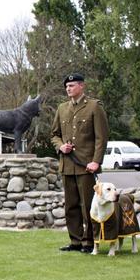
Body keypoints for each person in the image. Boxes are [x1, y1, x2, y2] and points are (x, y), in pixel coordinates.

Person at [51, 73, 109, 253]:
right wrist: (61, 147)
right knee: (71, 206)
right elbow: (54, 134)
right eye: (67, 86)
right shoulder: (61, 108)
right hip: (67, 164)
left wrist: (96, 161)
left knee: (88, 205)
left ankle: (89, 242)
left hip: (86, 166)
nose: (68, 89)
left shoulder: (94, 107)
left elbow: (102, 137)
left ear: (82, 86)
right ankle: (75, 241)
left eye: (72, 85)